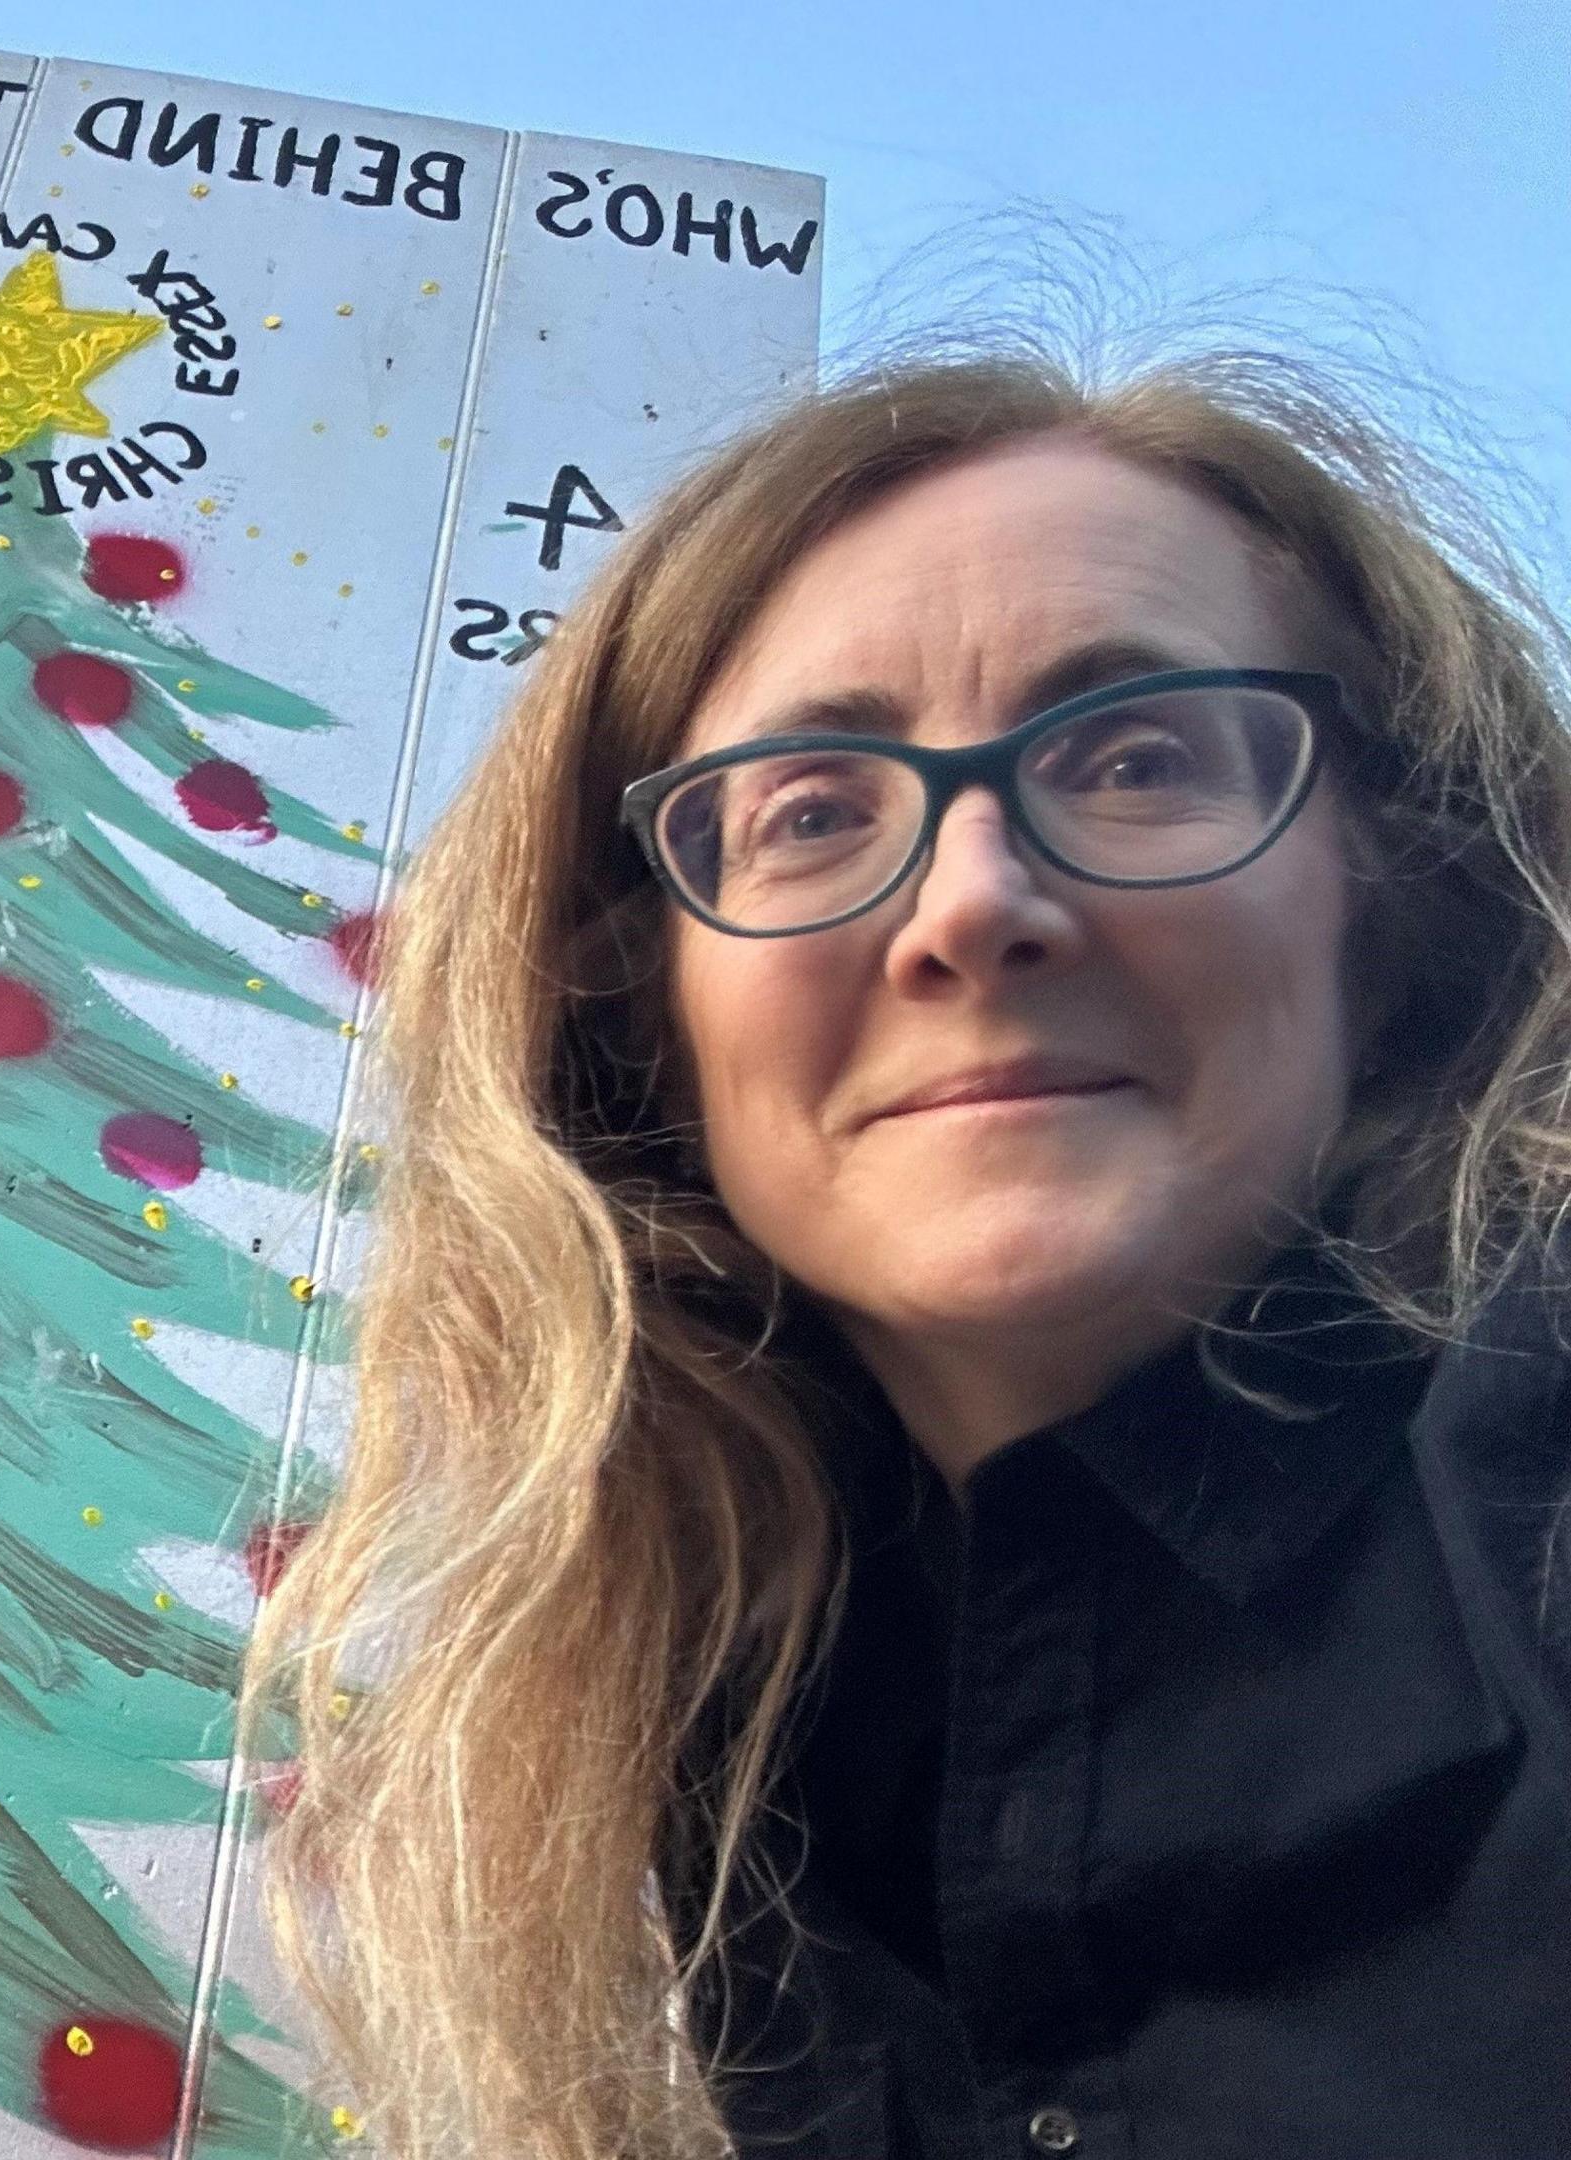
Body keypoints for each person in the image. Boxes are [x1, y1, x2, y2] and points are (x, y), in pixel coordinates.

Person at [251, 345, 1571, 2160]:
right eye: (809, 811)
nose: (969, 905)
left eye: (1138, 758)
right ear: (645, 1007)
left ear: (1392, 905)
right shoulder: (651, 1752)